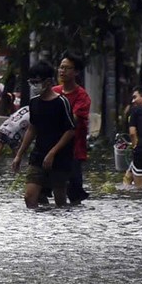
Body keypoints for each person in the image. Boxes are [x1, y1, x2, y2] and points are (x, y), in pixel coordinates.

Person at [11, 61, 76, 208]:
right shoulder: (34, 102)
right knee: (29, 197)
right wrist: (19, 155)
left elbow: (70, 130)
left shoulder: (61, 102)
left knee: (60, 199)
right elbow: (32, 128)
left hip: (60, 157)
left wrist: (53, 153)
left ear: (47, 82)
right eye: (31, 82)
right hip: (39, 155)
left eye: (36, 82)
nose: (33, 86)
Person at [55, 52, 91, 204]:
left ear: (76, 72)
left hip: (74, 150)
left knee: (74, 194)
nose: (62, 71)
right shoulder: (54, 92)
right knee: (41, 191)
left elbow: (73, 120)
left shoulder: (82, 96)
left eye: (67, 68)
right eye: (61, 67)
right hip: (51, 147)